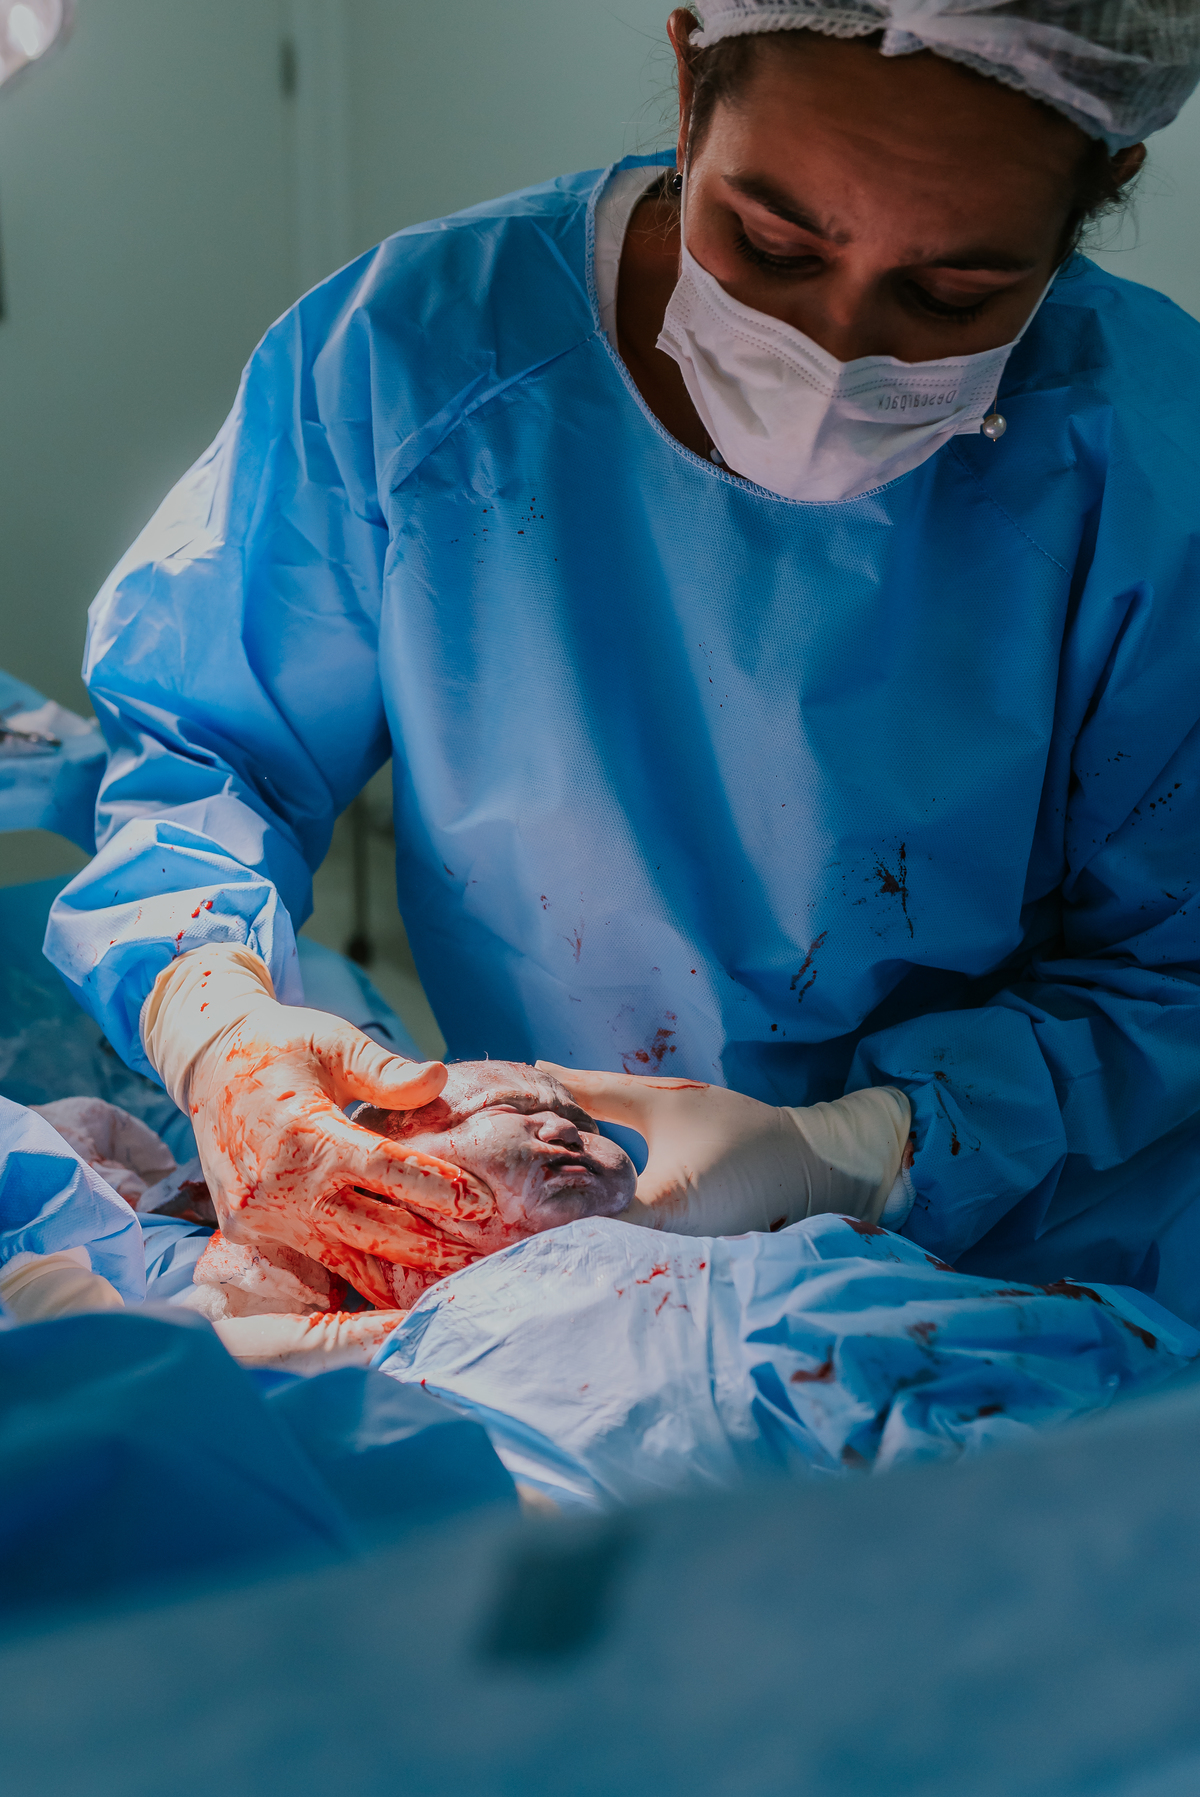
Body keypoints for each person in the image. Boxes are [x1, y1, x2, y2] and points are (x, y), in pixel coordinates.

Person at [45, 3, 1200, 1317]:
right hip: (582, 1243)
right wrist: (224, 1035)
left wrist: (862, 1150)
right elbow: (209, 751)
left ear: (1107, 181)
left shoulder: (1156, 474)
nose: (834, 351)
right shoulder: (424, 363)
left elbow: (1177, 967)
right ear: (688, 74)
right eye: (769, 242)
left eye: (952, 294)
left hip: (1044, 1256)